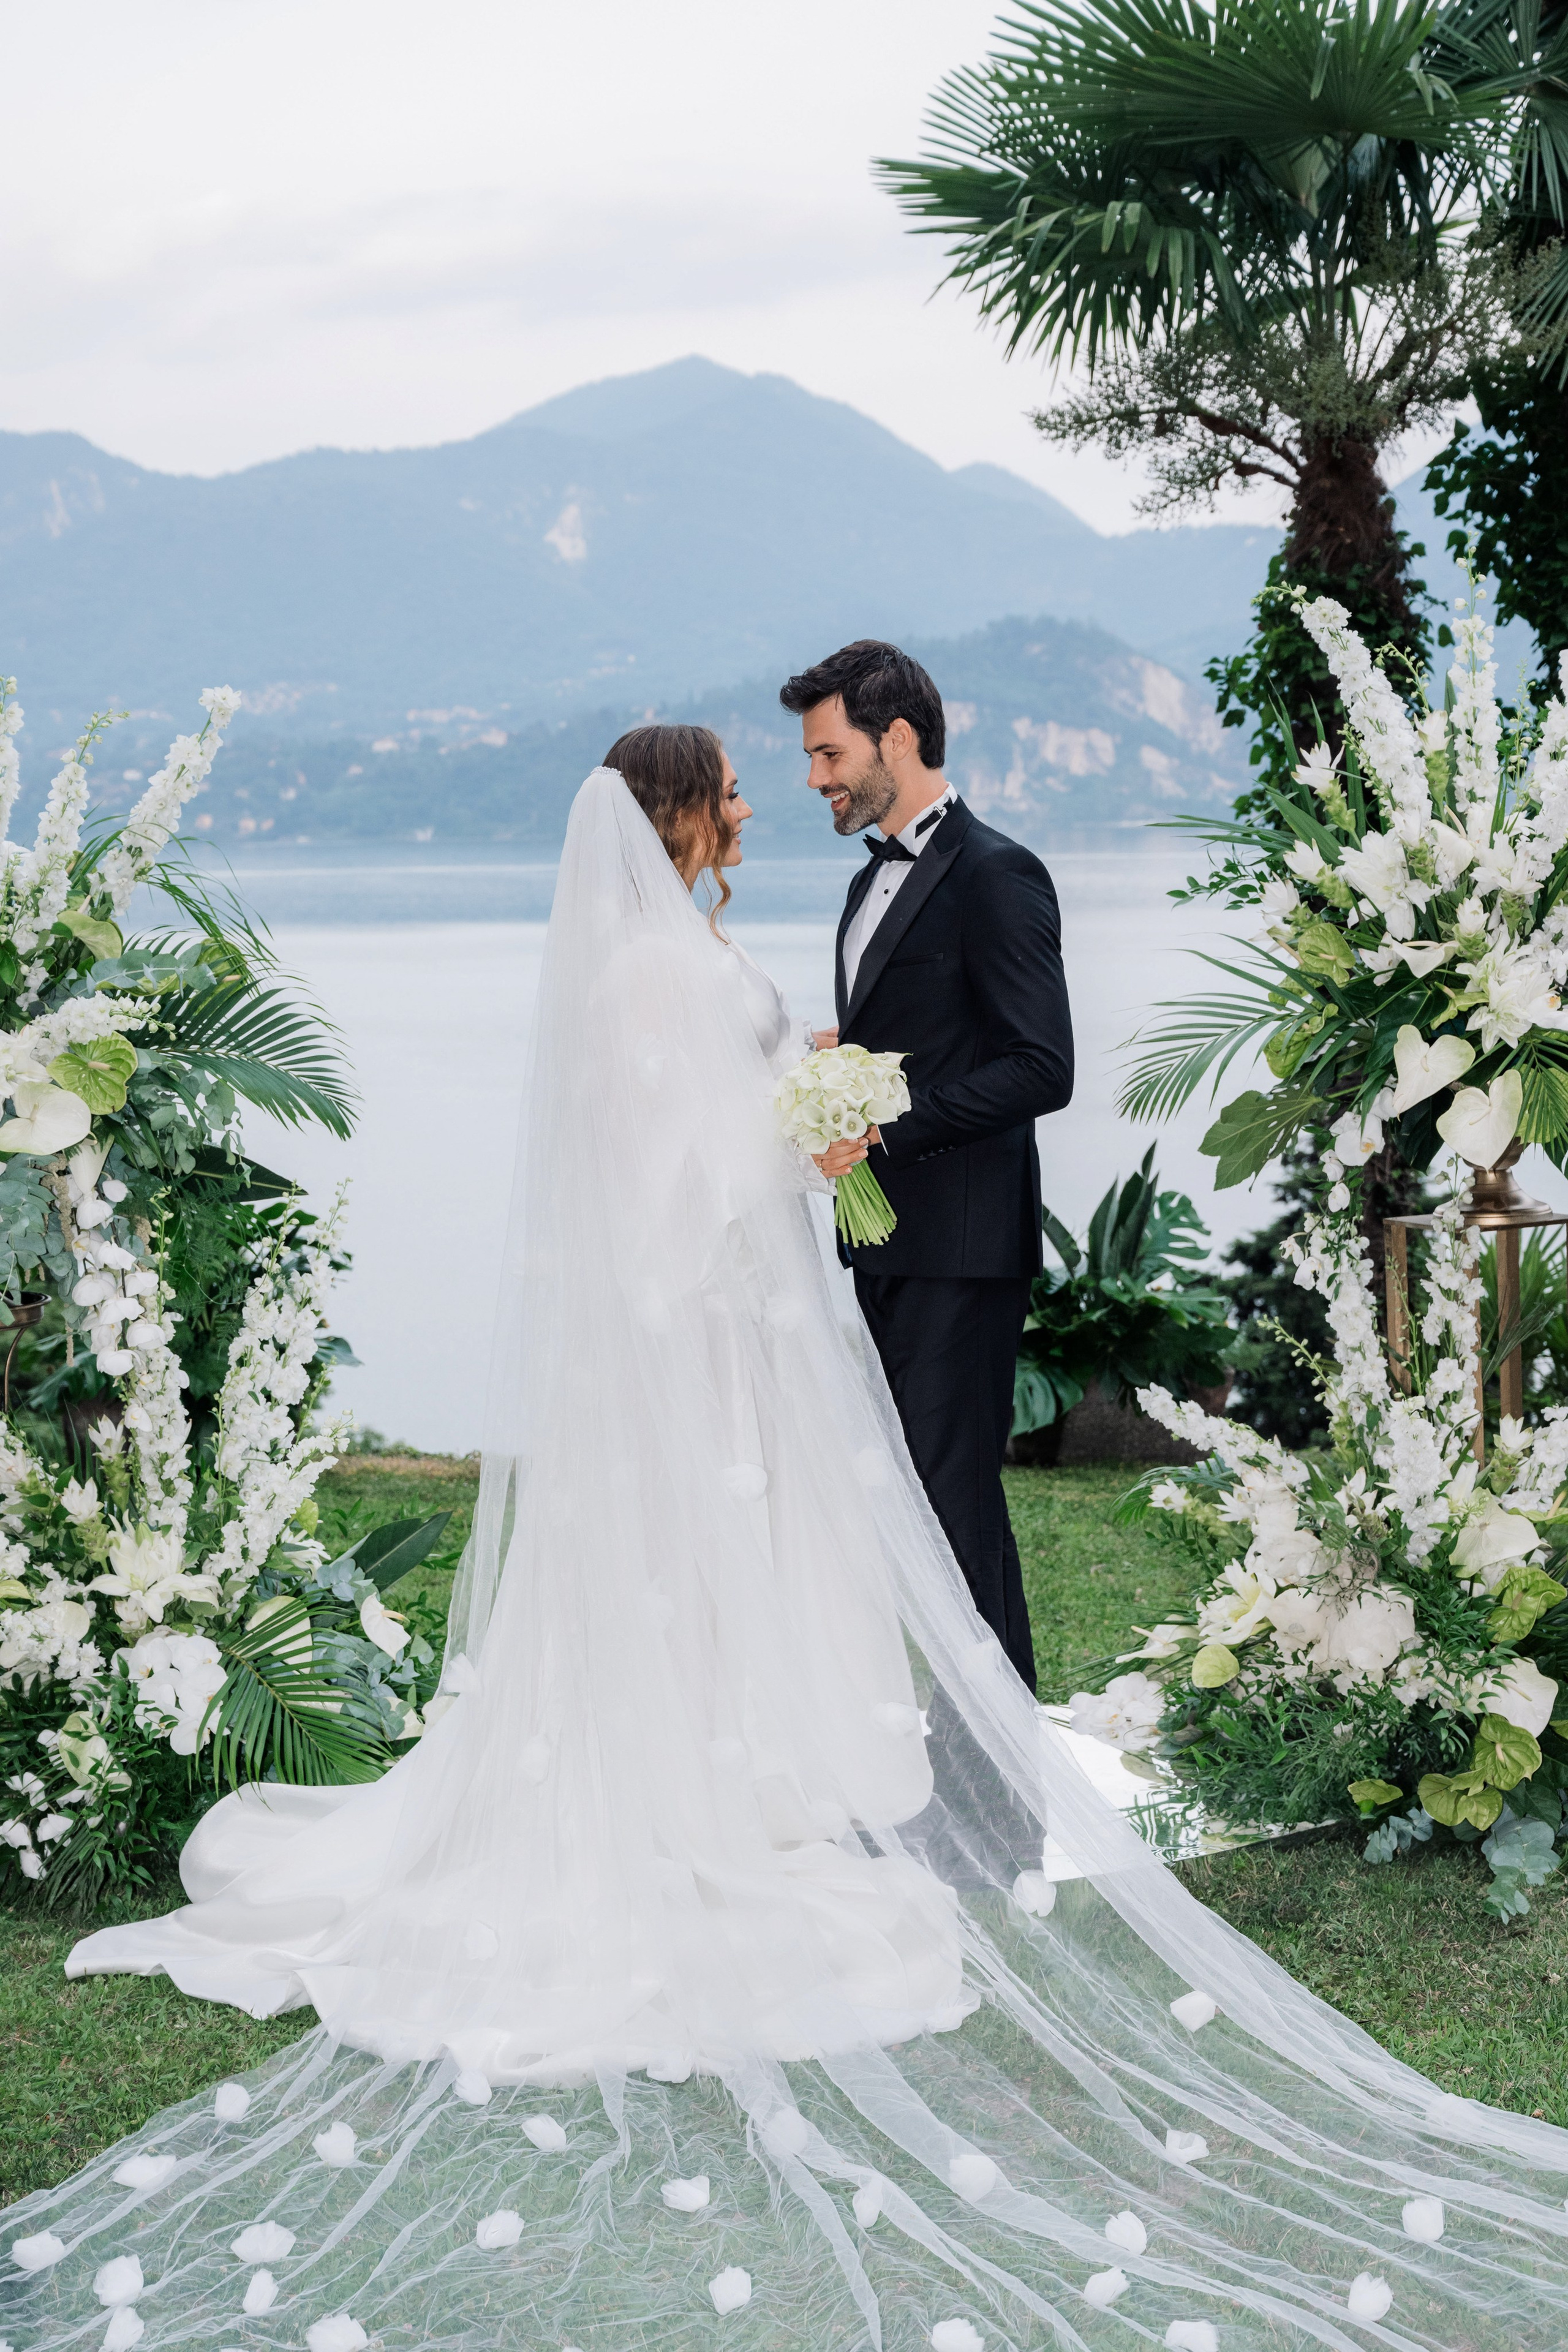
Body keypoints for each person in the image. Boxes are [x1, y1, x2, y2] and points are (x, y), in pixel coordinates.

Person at [10, 728, 1568, 2352]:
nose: (756, 805)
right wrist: (806, 1133)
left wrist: (804, 1113)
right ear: (677, 812)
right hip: (714, 1336)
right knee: (719, 1567)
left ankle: (713, 1766)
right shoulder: (672, 972)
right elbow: (695, 1178)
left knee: (676, 1578)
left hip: (672, 1337)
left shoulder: (627, 966)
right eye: (734, 790)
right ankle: (727, 1791)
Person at [780, 641, 1071, 1692]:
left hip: (961, 1243)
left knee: (952, 1505)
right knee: (908, 1502)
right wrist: (836, 1069)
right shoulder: (869, 885)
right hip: (885, 1244)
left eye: (827, 754)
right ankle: (953, 1757)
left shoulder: (997, 873)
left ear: (896, 738)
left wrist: (886, 1132)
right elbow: (916, 1042)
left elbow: (1043, 1065)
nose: (815, 779)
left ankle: (994, 1773)